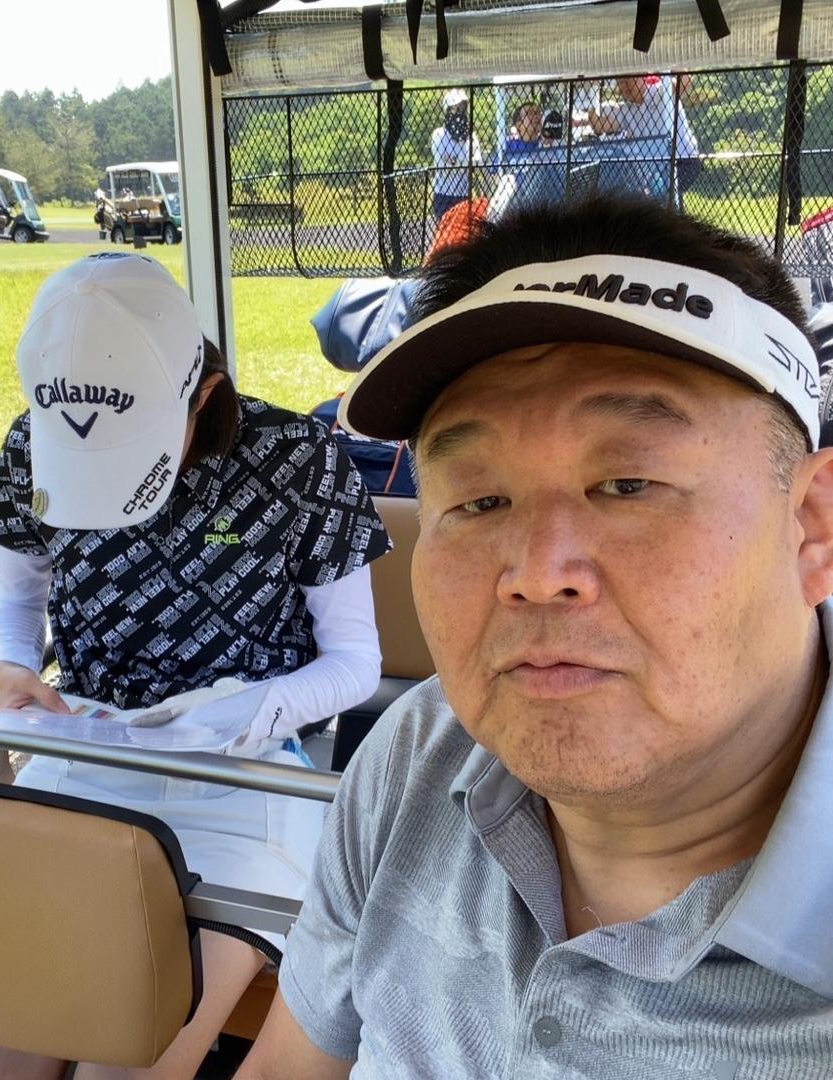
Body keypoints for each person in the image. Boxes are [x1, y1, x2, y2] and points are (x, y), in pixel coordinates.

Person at [235, 194, 833, 1079]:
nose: (537, 570)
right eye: (479, 500)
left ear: (811, 526)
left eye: (627, 484)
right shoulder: (420, 756)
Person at [0, 252, 390, 1080]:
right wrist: (12, 668)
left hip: (244, 781)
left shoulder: (298, 459)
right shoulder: (31, 444)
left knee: (131, 1062)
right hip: (86, 756)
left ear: (203, 392)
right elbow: (14, 600)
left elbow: (355, 663)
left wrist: (246, 713)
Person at [589, 74, 700, 205]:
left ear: (643, 77)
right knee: (658, 195)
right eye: (621, 82)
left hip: (684, 160)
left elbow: (686, 81)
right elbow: (599, 126)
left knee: (662, 193)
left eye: (629, 79)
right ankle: (675, 209)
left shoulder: (660, 91)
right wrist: (591, 92)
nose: (625, 85)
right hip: (657, 169)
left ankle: (673, 208)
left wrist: (665, 68)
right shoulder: (625, 110)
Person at [430, 88, 482, 222]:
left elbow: (478, 161)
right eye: (455, 108)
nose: (459, 111)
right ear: (448, 110)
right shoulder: (439, 134)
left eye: (462, 107)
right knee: (445, 230)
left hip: (464, 194)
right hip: (444, 194)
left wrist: (455, 161)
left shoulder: (471, 135)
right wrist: (466, 162)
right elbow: (443, 164)